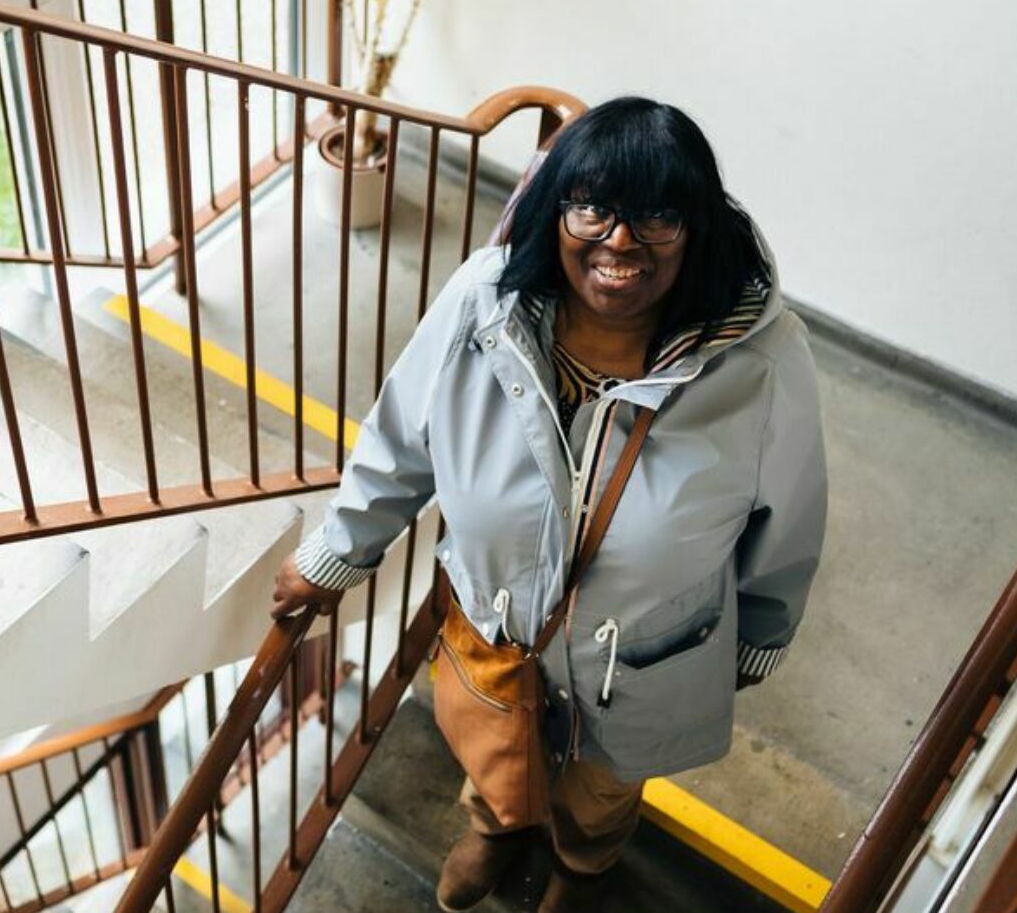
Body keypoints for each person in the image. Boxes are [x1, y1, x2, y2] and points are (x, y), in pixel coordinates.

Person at [270, 96, 828, 911]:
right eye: (593, 207)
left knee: (601, 792)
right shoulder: (483, 302)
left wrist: (764, 627)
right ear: (556, 208)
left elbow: (792, 509)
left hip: (636, 657)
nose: (620, 242)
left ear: (697, 228)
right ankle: (495, 826)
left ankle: (581, 865)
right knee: (494, 747)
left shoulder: (765, 360)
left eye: (657, 217)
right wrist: (338, 552)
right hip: (494, 622)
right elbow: (402, 434)